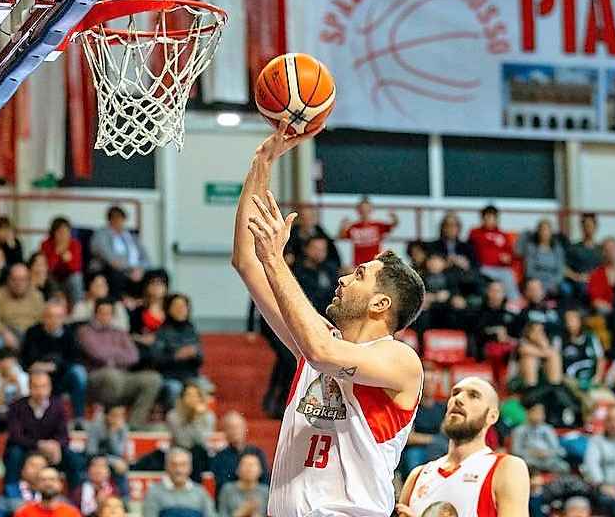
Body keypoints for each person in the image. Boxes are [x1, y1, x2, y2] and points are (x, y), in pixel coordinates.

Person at [233, 127, 428, 517]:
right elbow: (246, 261)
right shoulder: (317, 341)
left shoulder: (400, 360)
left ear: (381, 303)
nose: (342, 278)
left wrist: (276, 259)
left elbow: (322, 353)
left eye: (358, 275)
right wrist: (262, 163)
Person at [397, 378, 530, 517]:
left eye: (473, 395)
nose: (458, 399)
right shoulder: (417, 475)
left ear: (492, 416)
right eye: (455, 393)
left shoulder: (506, 468)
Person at [79, 299, 162, 429]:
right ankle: (109, 423)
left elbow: (133, 356)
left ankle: (134, 425)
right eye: (102, 313)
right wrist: (118, 352)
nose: (105, 316)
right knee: (111, 376)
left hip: (124, 375)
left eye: (109, 313)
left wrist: (111, 357)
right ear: (95, 314)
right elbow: (97, 354)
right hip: (96, 376)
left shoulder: (120, 332)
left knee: (152, 379)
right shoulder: (86, 331)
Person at [3, 372, 83, 489]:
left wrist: (56, 445)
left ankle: (75, 495)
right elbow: (16, 436)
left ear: (50, 388)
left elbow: (64, 435)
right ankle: (11, 493)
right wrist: (39, 444)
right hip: (26, 448)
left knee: (73, 459)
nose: (40, 391)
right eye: (36, 386)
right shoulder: (17, 406)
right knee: (14, 454)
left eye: (44, 386)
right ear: (29, 388)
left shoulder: (59, 406)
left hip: (51, 450)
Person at [22, 301, 87, 422]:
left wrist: (55, 366)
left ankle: (79, 418)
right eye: (50, 316)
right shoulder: (33, 332)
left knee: (79, 372)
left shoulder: (69, 333)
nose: (54, 320)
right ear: (44, 317)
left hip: (62, 376)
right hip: (37, 376)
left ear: (64, 318)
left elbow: (75, 359)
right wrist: (43, 367)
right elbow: (27, 360)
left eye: (58, 317)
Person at [153, 294, 210, 400]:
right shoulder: (162, 331)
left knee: (206, 388)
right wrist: (176, 356)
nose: (181, 309)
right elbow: (156, 359)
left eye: (184, 306)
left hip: (191, 375)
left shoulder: (191, 329)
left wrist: (194, 354)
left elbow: (200, 359)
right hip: (170, 376)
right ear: (168, 309)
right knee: (175, 389)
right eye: (176, 306)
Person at [90, 206, 151, 297]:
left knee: (159, 273)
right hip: (112, 269)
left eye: (120, 218)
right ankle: (119, 302)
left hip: (136, 270)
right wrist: (130, 270)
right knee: (116, 275)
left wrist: (140, 269)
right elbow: (109, 258)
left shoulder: (131, 237)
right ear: (109, 220)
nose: (118, 221)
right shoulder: (101, 234)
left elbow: (146, 258)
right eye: (114, 218)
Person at [0, 262, 47, 352]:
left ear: (28, 280)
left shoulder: (37, 295)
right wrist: (5, 333)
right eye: (14, 279)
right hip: (8, 331)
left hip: (31, 332)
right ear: (8, 280)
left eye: (23, 279)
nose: (18, 283)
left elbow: (42, 319)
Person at [141, 447, 217, 517]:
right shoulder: (154, 493)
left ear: (190, 468)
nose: (178, 470)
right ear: (166, 467)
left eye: (183, 465)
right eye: (174, 465)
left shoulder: (201, 493)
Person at [468, 205, 520, 300]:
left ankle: (515, 303)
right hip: (483, 267)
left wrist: (508, 258)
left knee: (508, 274)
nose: (490, 220)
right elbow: (470, 251)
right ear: (483, 218)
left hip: (501, 269)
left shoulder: (504, 235)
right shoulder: (475, 233)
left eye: (493, 218)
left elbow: (511, 255)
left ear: (497, 219)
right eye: (487, 217)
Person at [209, 412, 269, 492]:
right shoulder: (219, 457)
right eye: (230, 427)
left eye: (237, 427)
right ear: (225, 431)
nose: (235, 431)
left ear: (245, 429)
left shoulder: (257, 453)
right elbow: (222, 485)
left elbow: (265, 479)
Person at [509, 401, 569, 473]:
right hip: (529, 461)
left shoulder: (548, 429)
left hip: (548, 460)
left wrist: (547, 452)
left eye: (541, 413)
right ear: (528, 413)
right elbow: (515, 451)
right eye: (536, 412)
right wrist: (532, 452)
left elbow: (559, 450)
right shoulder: (519, 430)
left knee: (564, 467)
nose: (539, 416)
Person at [338, 196, 398, 266]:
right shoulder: (353, 227)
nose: (364, 211)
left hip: (375, 263)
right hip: (359, 264)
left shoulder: (377, 225)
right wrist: (343, 227)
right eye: (362, 209)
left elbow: (393, 225)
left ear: (370, 209)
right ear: (358, 210)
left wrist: (394, 217)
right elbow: (341, 236)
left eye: (366, 208)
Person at [516, 219, 567, 297]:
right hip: (536, 281)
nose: (545, 233)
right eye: (542, 230)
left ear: (551, 232)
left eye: (547, 230)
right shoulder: (531, 248)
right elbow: (529, 271)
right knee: (535, 289)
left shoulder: (557, 248)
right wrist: (542, 282)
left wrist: (552, 282)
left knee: (566, 289)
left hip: (554, 282)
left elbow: (560, 270)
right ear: (538, 232)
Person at [40, 217, 85, 304]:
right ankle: (53, 307)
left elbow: (76, 268)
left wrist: (68, 260)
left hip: (69, 277)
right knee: (47, 277)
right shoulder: (46, 244)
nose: (63, 235)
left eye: (66, 232)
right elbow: (47, 267)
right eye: (60, 232)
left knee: (76, 278)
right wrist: (56, 253)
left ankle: (78, 309)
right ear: (53, 233)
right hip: (53, 277)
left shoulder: (75, 244)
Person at [292, 236, 341, 314]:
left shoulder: (330, 268)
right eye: (316, 249)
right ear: (306, 249)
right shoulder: (297, 272)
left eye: (323, 249)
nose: (320, 253)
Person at [13, 467, 80, 517]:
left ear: (60, 485)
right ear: (36, 485)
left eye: (52, 479)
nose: (48, 483)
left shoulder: (72, 513)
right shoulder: (24, 512)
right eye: (43, 480)